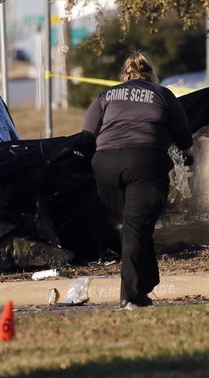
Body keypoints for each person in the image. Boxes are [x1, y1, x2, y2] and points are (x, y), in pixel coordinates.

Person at [82, 52, 194, 310]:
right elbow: (183, 136)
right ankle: (129, 296)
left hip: (105, 165)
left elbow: (87, 133)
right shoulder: (162, 94)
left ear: (126, 75)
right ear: (151, 75)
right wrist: (189, 157)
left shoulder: (107, 95)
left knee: (135, 228)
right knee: (136, 229)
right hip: (145, 163)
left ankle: (145, 286)